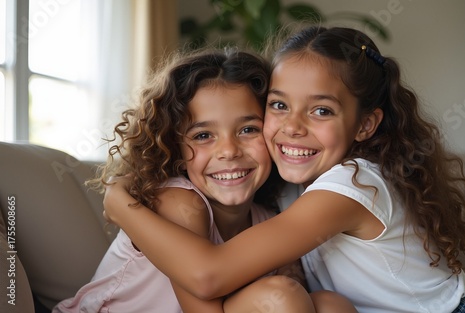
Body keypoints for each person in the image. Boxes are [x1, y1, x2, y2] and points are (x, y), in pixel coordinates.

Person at [102, 26, 465, 313]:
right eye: (278, 105)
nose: (292, 127)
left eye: (321, 110)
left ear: (365, 124)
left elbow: (210, 275)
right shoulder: (292, 185)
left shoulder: (353, 184)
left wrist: (122, 206)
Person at [52, 47, 354, 313]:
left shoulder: (267, 220)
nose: (228, 151)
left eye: (248, 129)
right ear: (175, 147)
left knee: (331, 305)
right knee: (278, 298)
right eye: (203, 135)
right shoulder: (179, 202)